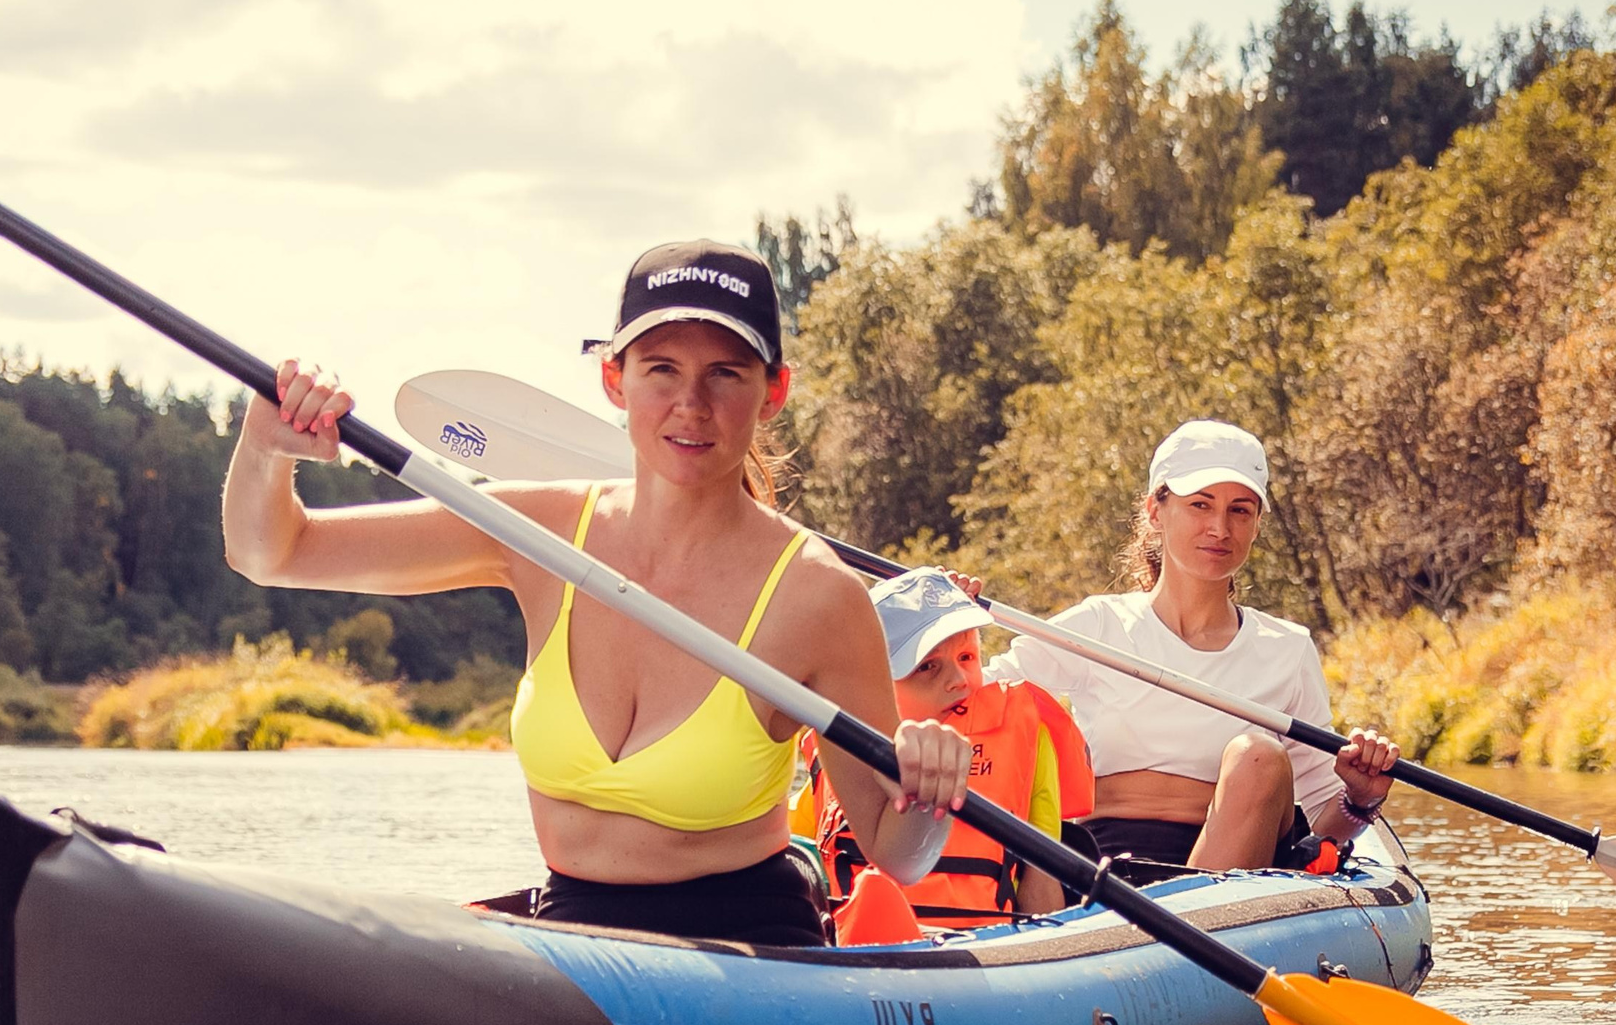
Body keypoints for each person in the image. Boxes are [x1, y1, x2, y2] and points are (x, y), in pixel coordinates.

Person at [222, 240, 973, 947]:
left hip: (753, 954)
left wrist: (929, 789)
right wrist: (265, 446)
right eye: (662, 370)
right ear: (615, 378)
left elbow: (897, 853)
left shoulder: (816, 597)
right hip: (577, 937)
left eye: (725, 374)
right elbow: (273, 552)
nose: (692, 404)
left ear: (773, 391)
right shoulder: (534, 532)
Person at [988, 420, 1399, 870]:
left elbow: (1323, 825)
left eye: (1240, 511)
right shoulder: (1097, 626)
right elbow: (972, 696)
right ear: (1155, 511)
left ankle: (1186, 912)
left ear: (1257, 524)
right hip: (1101, 869)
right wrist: (944, 620)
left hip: (1231, 878)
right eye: (1200, 505)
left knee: (1258, 755)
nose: (1219, 528)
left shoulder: (1288, 649)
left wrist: (1360, 800)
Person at [796, 568, 1092, 928]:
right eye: (928, 667)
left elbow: (1042, 875)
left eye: (967, 657)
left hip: (986, 945)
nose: (959, 680)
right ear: (875, 680)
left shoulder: (1025, 730)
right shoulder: (838, 740)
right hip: (861, 938)